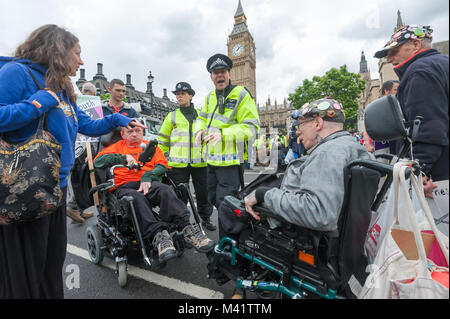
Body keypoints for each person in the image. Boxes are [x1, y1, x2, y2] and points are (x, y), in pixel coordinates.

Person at [0, 24, 145, 299]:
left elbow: (87, 125)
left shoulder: (61, 86)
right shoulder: (17, 72)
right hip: (23, 190)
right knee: (25, 274)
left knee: (50, 266)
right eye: (77, 53)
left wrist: (120, 120)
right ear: (57, 49)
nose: (81, 61)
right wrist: (36, 104)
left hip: (54, 190)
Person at [219, 98, 374, 238]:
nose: (297, 130)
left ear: (318, 123)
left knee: (228, 207)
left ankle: (223, 265)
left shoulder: (327, 154)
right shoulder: (351, 147)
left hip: (296, 233)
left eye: (301, 124)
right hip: (336, 232)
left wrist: (263, 195)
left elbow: (319, 213)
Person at [94, 125, 215, 262]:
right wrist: (123, 158)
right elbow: (98, 162)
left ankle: (187, 229)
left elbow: (163, 165)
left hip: (149, 182)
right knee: (135, 198)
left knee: (166, 190)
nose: (134, 134)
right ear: (122, 134)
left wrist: (148, 176)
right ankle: (159, 237)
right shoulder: (115, 147)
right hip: (125, 185)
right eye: (130, 131)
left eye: (138, 131)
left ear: (143, 132)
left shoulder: (149, 146)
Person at [374, 25, 449, 198]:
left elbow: (427, 128)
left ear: (415, 45)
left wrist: (418, 172)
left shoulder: (420, 71)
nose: (389, 59)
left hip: (439, 177)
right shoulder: (442, 64)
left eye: (394, 51)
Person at [194, 54, 260, 228]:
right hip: (211, 161)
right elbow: (201, 117)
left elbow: (251, 127)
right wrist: (199, 129)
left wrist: (223, 134)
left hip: (230, 162)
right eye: (215, 73)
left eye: (222, 71)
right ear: (211, 77)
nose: (219, 75)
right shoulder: (209, 97)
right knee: (213, 199)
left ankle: (229, 244)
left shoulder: (241, 94)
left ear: (229, 74)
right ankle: (238, 224)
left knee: (225, 203)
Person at [158, 82, 216, 231]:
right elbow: (162, 140)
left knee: (204, 194)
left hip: (201, 163)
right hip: (178, 165)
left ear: (190, 95)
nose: (179, 96)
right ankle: (183, 224)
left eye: (183, 93)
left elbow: (208, 137)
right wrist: (165, 159)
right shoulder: (172, 116)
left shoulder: (200, 115)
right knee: (180, 196)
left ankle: (206, 218)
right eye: (177, 94)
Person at [65, 81, 98, 223]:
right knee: (84, 178)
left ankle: (78, 210)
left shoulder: (75, 102)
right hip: (82, 146)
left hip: (79, 145)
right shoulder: (83, 103)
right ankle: (73, 206)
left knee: (82, 178)